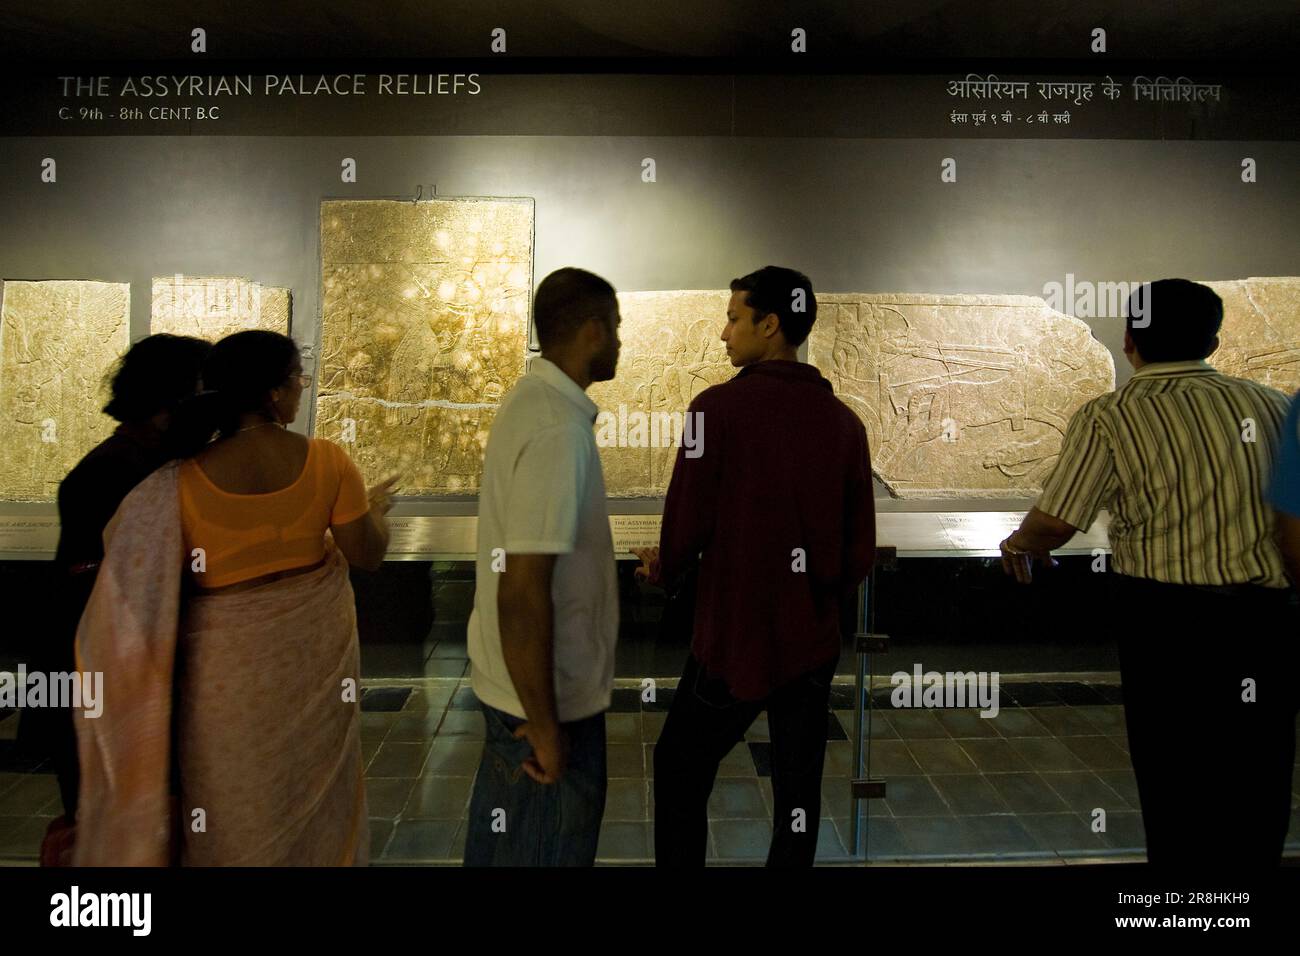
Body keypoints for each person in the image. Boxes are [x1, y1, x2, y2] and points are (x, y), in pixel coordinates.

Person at [999, 278, 1297, 866]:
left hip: (1169, 623)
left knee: (1174, 778)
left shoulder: (1114, 414)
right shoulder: (1274, 405)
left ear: (1130, 338)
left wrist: (1020, 543)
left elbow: (1057, 523)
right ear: (1212, 340)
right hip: (1262, 621)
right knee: (1260, 774)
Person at [72, 330, 394, 866]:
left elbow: (139, 590)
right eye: (297, 380)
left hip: (224, 688)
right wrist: (377, 514)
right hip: (313, 676)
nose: (300, 391)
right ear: (274, 393)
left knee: (232, 809)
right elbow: (366, 554)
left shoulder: (179, 481)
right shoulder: (328, 461)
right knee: (316, 800)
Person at [638, 265, 876, 867]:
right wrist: (817, 596)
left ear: (770, 325)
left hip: (734, 638)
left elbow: (686, 523)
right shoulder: (846, 426)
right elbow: (858, 550)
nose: (724, 334)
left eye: (734, 318)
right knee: (797, 787)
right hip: (810, 642)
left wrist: (663, 570)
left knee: (680, 768)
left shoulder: (713, 411)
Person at [20, 332, 211, 864]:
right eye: (203, 395)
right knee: (113, 823)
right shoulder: (120, 471)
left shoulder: (135, 461)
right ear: (170, 403)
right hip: (103, 673)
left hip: (104, 669)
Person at [463, 267, 622, 866]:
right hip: (546, 704)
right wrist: (546, 725)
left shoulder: (534, 403)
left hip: (527, 693)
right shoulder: (558, 431)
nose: (620, 343)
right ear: (592, 331)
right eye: (616, 329)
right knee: (543, 848)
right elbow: (523, 592)